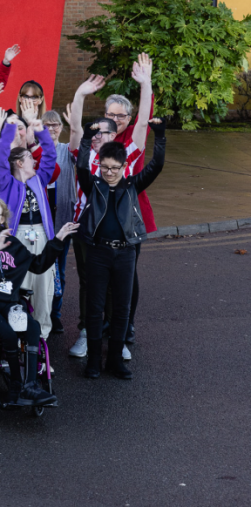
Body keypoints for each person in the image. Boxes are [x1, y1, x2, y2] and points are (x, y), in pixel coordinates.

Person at [0, 197, 76, 406]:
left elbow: (37, 265)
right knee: (8, 334)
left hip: (9, 300)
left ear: (2, 218)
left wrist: (57, 240)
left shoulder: (12, 243)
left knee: (33, 328)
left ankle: (30, 385)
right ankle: (15, 385)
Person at [76, 118, 166, 380]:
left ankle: (115, 359)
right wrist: (85, 138)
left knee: (122, 308)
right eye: (105, 167)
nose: (109, 172)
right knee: (95, 308)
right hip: (98, 253)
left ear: (124, 167)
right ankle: (94, 360)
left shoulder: (132, 185)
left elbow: (157, 165)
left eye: (115, 168)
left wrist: (160, 136)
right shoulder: (93, 185)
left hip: (125, 253)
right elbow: (81, 165)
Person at [0, 109, 58, 339]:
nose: (35, 160)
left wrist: (40, 130)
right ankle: (19, 335)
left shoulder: (40, 179)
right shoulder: (5, 182)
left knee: (43, 287)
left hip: (42, 235)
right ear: (20, 163)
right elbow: (0, 158)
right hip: (16, 237)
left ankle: (42, 337)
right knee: (18, 286)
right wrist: (9, 127)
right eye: (31, 158)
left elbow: (50, 155)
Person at [42, 110, 75, 334]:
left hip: (62, 218)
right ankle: (39, 311)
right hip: (40, 221)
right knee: (39, 267)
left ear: (61, 128)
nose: (51, 129)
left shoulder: (67, 150)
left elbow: (79, 146)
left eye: (55, 125)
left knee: (59, 271)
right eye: (46, 125)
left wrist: (75, 127)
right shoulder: (35, 152)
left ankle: (55, 314)